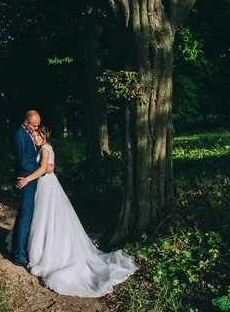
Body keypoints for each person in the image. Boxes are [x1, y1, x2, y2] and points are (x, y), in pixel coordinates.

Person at [15, 126, 137, 297]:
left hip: (47, 185)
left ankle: (46, 253)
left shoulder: (44, 149)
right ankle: (41, 247)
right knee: (45, 218)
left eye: (38, 135)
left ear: (45, 136)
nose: (35, 138)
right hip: (45, 184)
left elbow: (44, 169)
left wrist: (26, 179)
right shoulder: (44, 148)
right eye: (34, 136)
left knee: (46, 218)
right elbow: (47, 167)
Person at [10, 110, 53, 267]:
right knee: (25, 217)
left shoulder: (29, 133)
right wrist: (42, 168)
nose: (37, 128)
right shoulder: (20, 136)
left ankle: (19, 248)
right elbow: (23, 162)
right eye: (34, 126)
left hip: (33, 180)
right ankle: (19, 255)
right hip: (25, 181)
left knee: (26, 216)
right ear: (26, 123)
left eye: (38, 125)